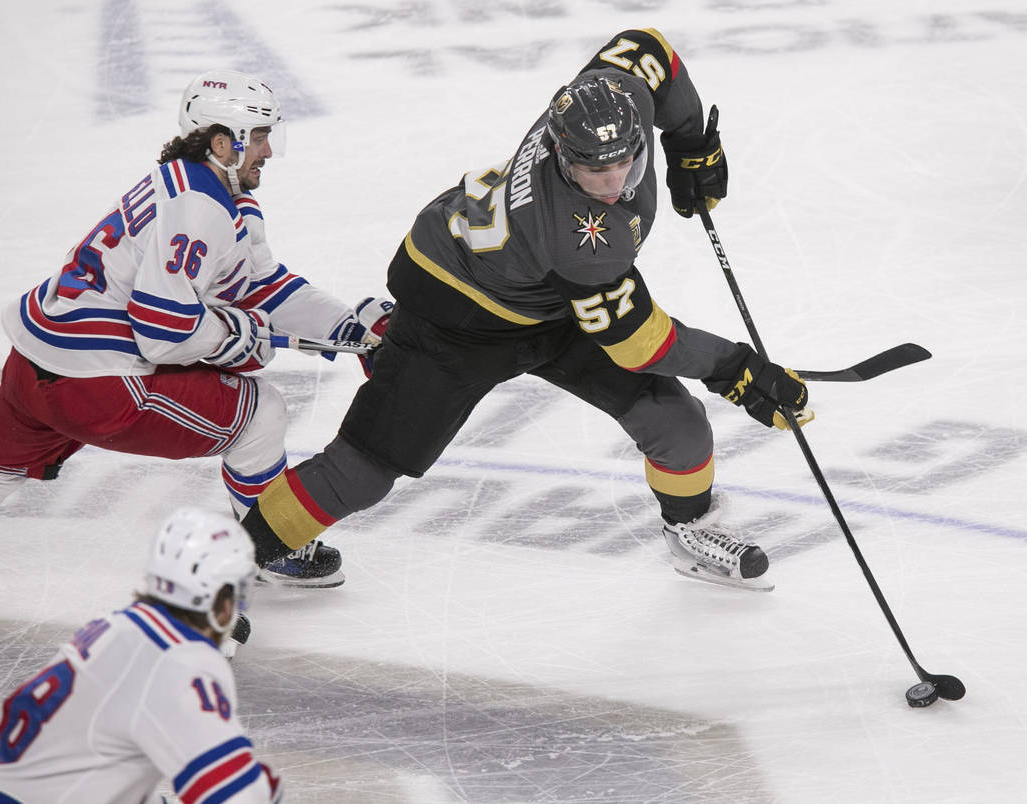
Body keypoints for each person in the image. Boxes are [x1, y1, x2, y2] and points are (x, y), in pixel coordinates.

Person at [238, 28, 812, 592]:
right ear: (562, 156)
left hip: (549, 298)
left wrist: (690, 143)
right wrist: (734, 368)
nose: (615, 185)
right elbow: (641, 344)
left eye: (626, 163)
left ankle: (689, 529)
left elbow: (646, 48)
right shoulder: (577, 238)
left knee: (675, 422)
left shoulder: (609, 100)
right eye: (595, 172)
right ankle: (226, 567)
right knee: (364, 470)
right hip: (456, 314)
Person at [0, 69, 391, 588]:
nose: (267, 151)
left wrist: (347, 327)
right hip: (97, 384)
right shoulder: (200, 208)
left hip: (33, 363)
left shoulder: (196, 186)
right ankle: (272, 546)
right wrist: (234, 337)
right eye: (258, 137)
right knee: (260, 413)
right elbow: (162, 333)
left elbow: (259, 285)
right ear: (222, 142)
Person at [0, 507, 283, 802]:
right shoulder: (179, 665)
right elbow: (239, 796)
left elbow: (95, 771)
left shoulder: (115, 627)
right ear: (226, 603)